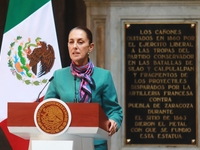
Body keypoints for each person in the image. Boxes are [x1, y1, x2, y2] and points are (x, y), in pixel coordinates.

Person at [44, 26, 123, 150]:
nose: (75, 46)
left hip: (95, 144)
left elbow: (114, 110)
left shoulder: (103, 76)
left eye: (80, 42)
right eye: (71, 42)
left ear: (90, 47)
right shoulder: (58, 76)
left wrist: (113, 121)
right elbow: (46, 108)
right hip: (64, 142)